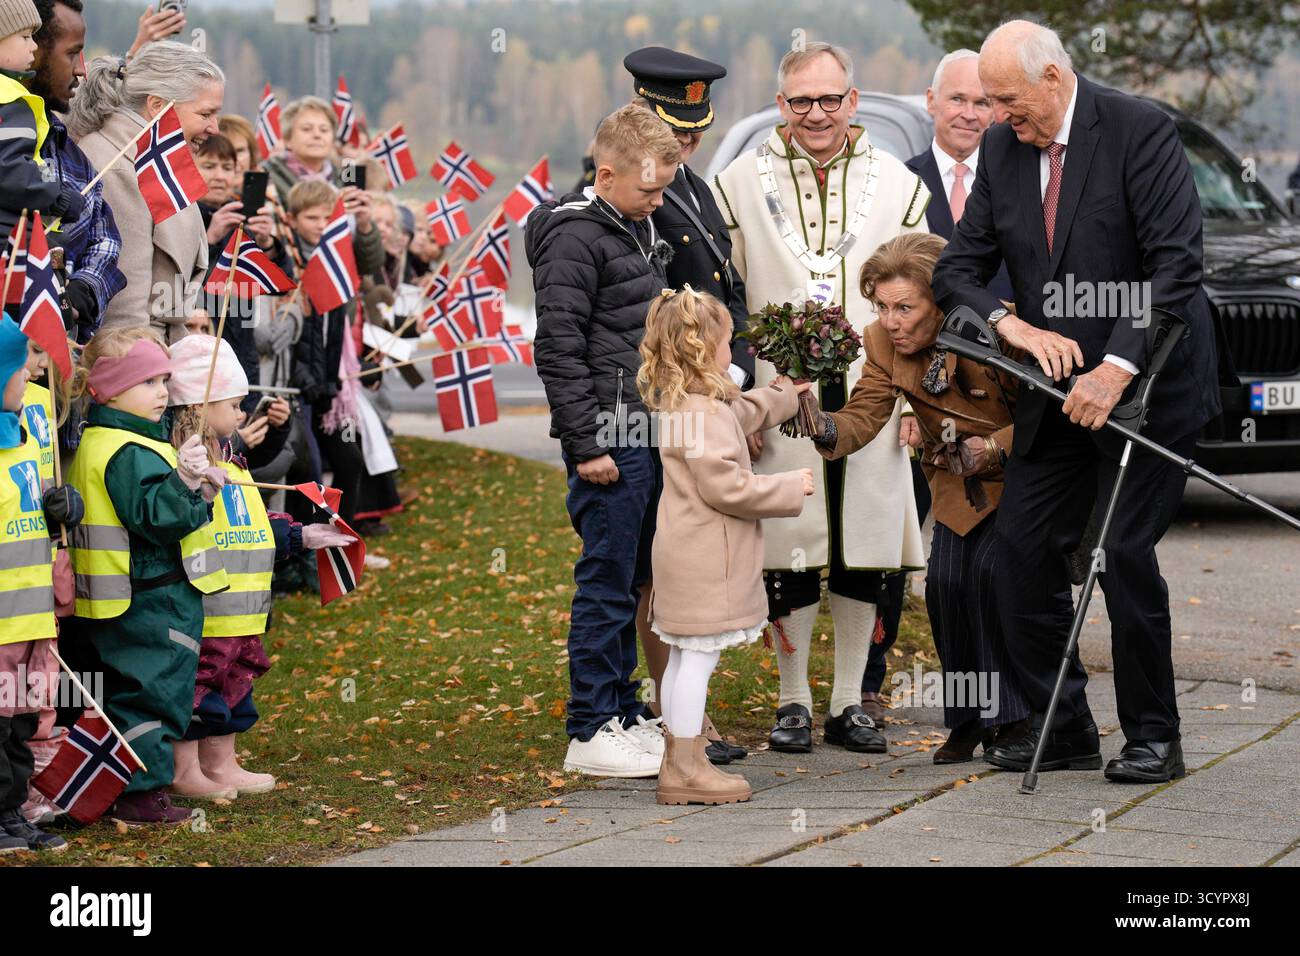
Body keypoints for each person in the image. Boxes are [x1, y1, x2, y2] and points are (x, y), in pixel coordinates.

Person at [930, 20, 1221, 783]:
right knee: (1018, 553)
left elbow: (1174, 266)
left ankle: (1155, 738)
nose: (996, 117)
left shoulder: (1138, 131)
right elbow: (959, 269)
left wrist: (1115, 369)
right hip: (1053, 391)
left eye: (1008, 99)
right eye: (988, 102)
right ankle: (1062, 732)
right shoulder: (1002, 148)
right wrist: (1011, 324)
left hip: (1148, 385)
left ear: (1054, 78)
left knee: (1119, 553)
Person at [711, 41, 927, 755]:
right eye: (801, 100)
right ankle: (793, 700)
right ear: (781, 105)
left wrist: (920, 406)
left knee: (864, 545)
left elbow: (925, 301)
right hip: (779, 390)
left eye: (830, 99)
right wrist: (736, 397)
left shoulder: (899, 183)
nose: (816, 113)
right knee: (790, 544)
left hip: (877, 388)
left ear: (853, 101)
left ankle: (848, 704)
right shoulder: (739, 182)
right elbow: (723, 298)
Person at [809, 233, 1030, 761]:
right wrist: (818, 424)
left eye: (905, 307)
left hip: (1026, 477)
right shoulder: (882, 342)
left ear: (941, 300)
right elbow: (863, 415)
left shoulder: (1001, 329)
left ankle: (1018, 721)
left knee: (994, 582)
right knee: (946, 589)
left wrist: (993, 449)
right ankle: (969, 721)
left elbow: (1046, 419)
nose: (891, 320)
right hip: (958, 483)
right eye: (882, 306)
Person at [525, 103, 680, 778]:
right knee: (605, 581)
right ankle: (589, 725)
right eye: (648, 187)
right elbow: (558, 347)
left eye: (665, 187)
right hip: (607, 439)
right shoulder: (574, 239)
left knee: (634, 581)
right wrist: (586, 445)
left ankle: (622, 709)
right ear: (606, 171)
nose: (658, 199)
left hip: (642, 427)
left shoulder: (634, 225)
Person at [623, 45, 754, 765]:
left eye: (697, 133)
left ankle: (686, 712)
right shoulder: (624, 193)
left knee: (687, 564)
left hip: (707, 398)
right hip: (661, 405)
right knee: (658, 567)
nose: (690, 145)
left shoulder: (693, 189)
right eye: (679, 133)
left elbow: (722, 291)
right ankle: (676, 723)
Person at [638, 287, 812, 804]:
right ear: (702, 349)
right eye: (726, 342)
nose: (730, 351)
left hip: (681, 554)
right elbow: (726, 487)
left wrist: (784, 394)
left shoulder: (688, 403)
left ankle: (677, 756)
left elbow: (743, 412)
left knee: (681, 658)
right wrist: (788, 486)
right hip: (706, 560)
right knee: (697, 660)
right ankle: (688, 771)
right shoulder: (706, 413)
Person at [166, 335, 355, 798]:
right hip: (208, 607)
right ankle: (185, 769)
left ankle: (222, 761)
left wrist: (300, 535)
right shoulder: (184, 465)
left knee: (236, 685)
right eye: (232, 404)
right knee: (197, 689)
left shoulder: (235, 460)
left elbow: (252, 516)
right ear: (197, 404)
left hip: (245, 611)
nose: (240, 414)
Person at [60, 327, 229, 825]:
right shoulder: (128, 451)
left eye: (164, 380)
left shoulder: (107, 440)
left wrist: (195, 489)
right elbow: (158, 518)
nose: (163, 393)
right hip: (153, 598)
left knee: (123, 692)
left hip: (119, 599)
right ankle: (140, 795)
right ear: (111, 390)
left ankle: (112, 790)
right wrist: (187, 485)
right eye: (149, 382)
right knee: (154, 695)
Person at [69, 40, 224, 343]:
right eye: (205, 114)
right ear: (157, 106)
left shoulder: (150, 161)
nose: (215, 128)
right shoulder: (114, 166)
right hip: (131, 365)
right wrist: (144, 376)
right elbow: (124, 307)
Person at [283, 179, 397, 553]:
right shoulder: (289, 261)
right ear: (292, 219)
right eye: (311, 217)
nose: (319, 225)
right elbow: (296, 338)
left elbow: (371, 262)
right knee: (308, 471)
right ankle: (300, 553)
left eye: (325, 217)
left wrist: (363, 224)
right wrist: (307, 378)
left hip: (333, 381)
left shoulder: (336, 254)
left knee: (349, 460)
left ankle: (341, 548)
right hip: (300, 385)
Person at [0, 317, 78, 852]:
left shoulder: (26, 431)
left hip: (29, 616)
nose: (30, 372)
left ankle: (11, 814)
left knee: (20, 724)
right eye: (19, 362)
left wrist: (58, 514)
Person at [29, 0, 125, 344]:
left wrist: (84, 288)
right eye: (72, 54)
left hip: (55, 362)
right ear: (32, 50)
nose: (82, 70)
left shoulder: (69, 151)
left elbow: (105, 236)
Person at [195, 132, 293, 414]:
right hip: (201, 353)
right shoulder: (182, 215)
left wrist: (268, 245)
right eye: (209, 166)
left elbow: (281, 285)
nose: (219, 176)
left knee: (241, 443)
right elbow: (180, 285)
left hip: (240, 353)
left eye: (228, 168)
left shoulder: (241, 220)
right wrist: (211, 239)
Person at [0, 0, 87, 241]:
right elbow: (6, 168)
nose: (33, 46)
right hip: (10, 242)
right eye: (25, 36)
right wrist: (57, 197)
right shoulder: (8, 98)